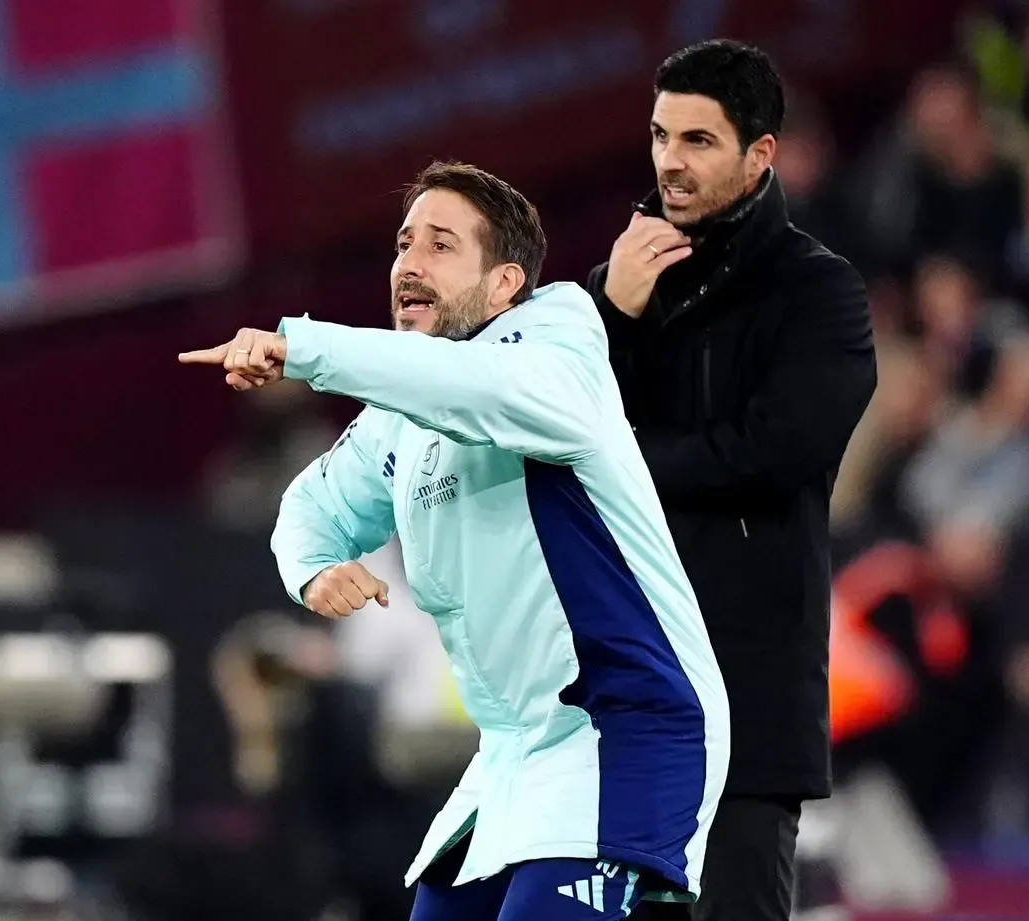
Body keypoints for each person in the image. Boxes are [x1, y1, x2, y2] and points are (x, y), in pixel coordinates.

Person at [179, 161, 730, 921]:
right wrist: (312, 568)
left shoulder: (558, 350)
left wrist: (302, 350)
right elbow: (310, 503)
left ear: (505, 285)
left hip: (624, 731)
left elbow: (468, 386)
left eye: (441, 245)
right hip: (508, 756)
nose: (409, 262)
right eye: (405, 243)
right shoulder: (401, 414)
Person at [585, 41, 877, 921]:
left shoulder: (819, 293)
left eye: (698, 140)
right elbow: (552, 438)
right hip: (626, 680)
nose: (670, 159)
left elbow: (775, 451)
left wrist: (626, 459)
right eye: (659, 134)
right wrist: (613, 317)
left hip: (748, 684)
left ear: (760, 155)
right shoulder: (617, 289)